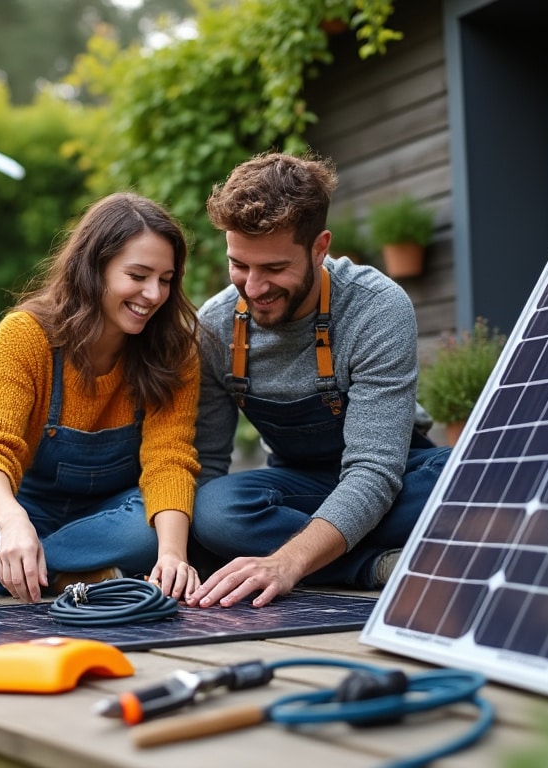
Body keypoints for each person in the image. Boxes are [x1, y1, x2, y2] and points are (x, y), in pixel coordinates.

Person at [0, 192, 203, 604]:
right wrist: (12, 523)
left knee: (158, 527)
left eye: (166, 280)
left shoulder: (174, 351)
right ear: (94, 268)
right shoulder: (25, 336)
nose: (154, 294)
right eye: (138, 276)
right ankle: (73, 576)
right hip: (26, 507)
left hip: (112, 517)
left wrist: (172, 557)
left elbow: (168, 459)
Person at [186, 152, 451, 609]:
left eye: (273, 268)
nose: (252, 288)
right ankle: (373, 565)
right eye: (239, 265)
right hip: (298, 486)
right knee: (214, 510)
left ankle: (307, 557)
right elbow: (207, 463)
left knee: (466, 481)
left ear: (319, 247)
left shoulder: (376, 308)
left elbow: (374, 470)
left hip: (393, 474)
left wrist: (286, 561)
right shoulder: (215, 325)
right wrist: (196, 547)